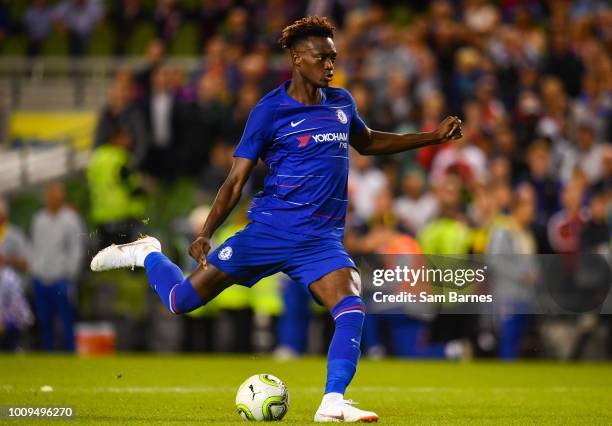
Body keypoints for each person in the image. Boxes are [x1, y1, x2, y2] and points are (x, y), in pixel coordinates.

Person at [91, 16, 462, 423]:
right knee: (181, 302)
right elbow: (236, 180)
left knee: (351, 306)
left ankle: (332, 401)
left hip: (321, 241)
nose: (330, 66)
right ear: (297, 59)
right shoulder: (269, 110)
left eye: (333, 58)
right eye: (321, 58)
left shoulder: (341, 104)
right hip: (269, 231)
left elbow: (368, 142)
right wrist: (206, 232)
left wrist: (431, 136)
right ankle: (148, 254)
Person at [30, 182, 85, 351]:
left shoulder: (71, 219)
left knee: (66, 319)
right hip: (40, 277)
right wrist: (35, 269)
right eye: (52, 193)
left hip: (61, 278)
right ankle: (48, 355)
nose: (55, 197)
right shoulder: (38, 219)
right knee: (44, 321)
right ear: (46, 196)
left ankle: (70, 355)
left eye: (58, 193)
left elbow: (77, 247)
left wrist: (70, 273)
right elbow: (34, 246)